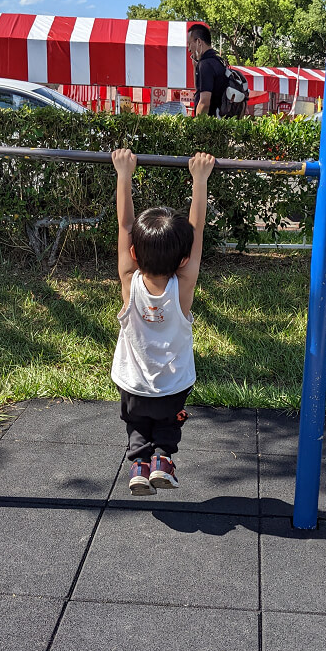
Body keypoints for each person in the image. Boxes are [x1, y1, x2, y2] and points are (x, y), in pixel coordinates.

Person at [110, 147, 215, 495]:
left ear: (134, 255)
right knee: (168, 424)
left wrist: (124, 174)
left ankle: (138, 465)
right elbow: (196, 229)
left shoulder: (129, 279)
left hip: (132, 384)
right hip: (172, 385)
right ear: (185, 260)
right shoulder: (182, 287)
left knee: (137, 423)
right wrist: (199, 180)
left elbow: (126, 224)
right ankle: (163, 459)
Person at [187, 23, 227, 117]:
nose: (189, 49)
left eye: (190, 44)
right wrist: (195, 66)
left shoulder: (206, 65)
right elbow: (199, 90)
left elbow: (204, 103)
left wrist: (198, 126)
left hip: (211, 123)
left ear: (199, 42)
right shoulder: (218, 61)